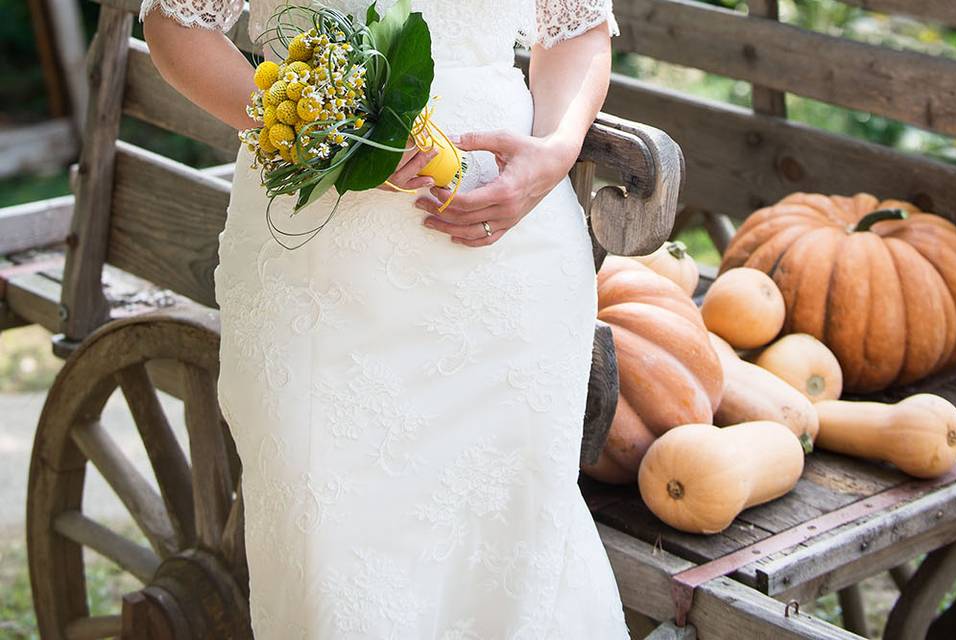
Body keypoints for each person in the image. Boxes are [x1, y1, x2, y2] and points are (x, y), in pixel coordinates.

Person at [141, 0, 629, 637]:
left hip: (507, 271)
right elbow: (177, 25)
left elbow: (577, 27)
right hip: (319, 269)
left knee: (516, 562)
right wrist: (320, 135)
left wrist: (556, 152)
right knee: (334, 564)